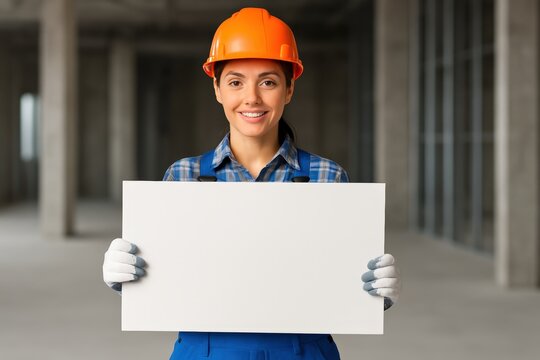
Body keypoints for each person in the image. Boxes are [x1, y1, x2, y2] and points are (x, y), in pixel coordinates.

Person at [102, 7, 401, 360]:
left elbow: (341, 292)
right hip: (205, 351)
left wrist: (376, 292)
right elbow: (168, 287)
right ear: (217, 89)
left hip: (303, 350)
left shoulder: (328, 178)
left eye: (268, 81)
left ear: (289, 89)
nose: (252, 98)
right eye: (235, 82)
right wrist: (126, 279)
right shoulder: (182, 178)